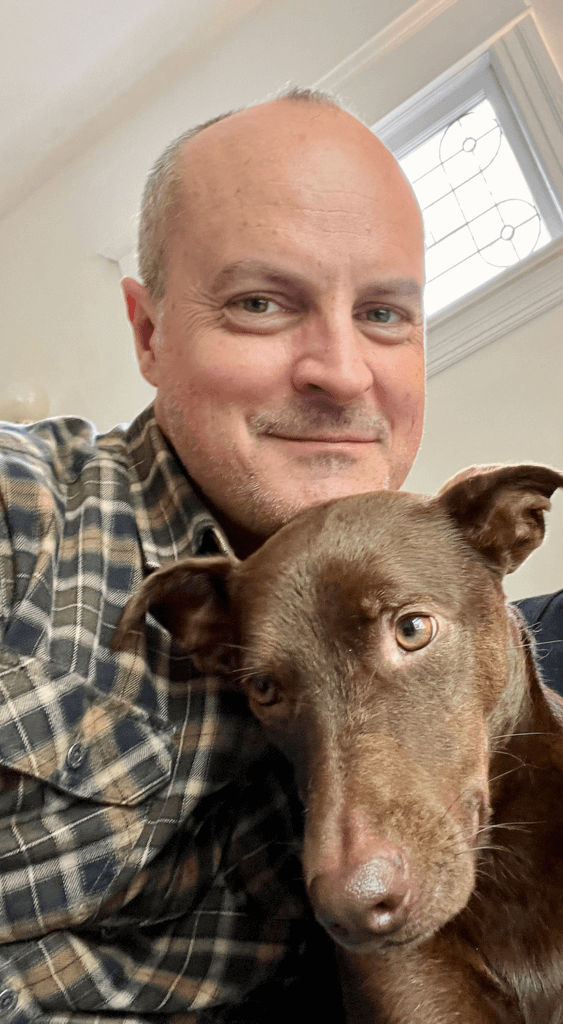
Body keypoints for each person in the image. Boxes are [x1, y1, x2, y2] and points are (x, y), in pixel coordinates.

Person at [0, 88, 424, 1022]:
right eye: (263, 303)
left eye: (386, 314)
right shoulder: (23, 512)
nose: (344, 371)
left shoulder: (426, 611)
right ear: (149, 333)